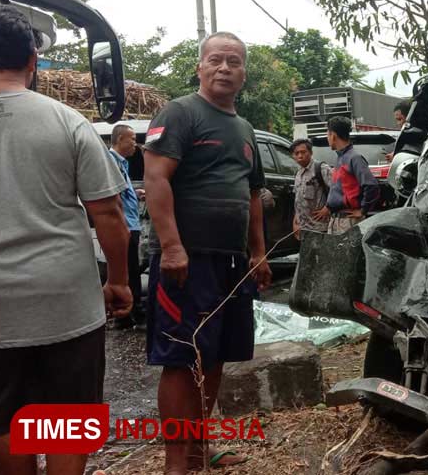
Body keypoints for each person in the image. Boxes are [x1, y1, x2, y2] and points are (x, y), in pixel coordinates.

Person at [0, 5, 132, 475]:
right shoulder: (68, 122)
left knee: (4, 420)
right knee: (67, 417)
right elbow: (107, 213)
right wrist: (120, 281)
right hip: (66, 300)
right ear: (32, 60)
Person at [143, 31, 272, 474]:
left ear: (243, 73)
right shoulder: (180, 113)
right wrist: (172, 246)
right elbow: (155, 179)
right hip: (188, 260)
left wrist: (257, 252)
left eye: (233, 62)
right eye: (215, 60)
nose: (224, 68)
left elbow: (253, 193)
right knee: (183, 359)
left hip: (231, 263)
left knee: (215, 355)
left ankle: (200, 450)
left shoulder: (245, 128)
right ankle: (176, 463)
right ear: (200, 67)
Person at [109, 124, 146, 329]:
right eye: (131, 139)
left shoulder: (122, 163)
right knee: (128, 271)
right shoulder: (110, 161)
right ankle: (128, 315)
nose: (135, 143)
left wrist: (137, 192)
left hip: (131, 223)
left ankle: (131, 312)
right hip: (125, 225)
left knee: (132, 269)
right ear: (120, 139)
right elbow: (114, 195)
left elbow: (123, 188)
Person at [315, 116, 379, 235]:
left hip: (348, 221)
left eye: (327, 135)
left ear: (333, 135)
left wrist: (363, 210)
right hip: (336, 220)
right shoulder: (341, 158)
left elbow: (372, 186)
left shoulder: (354, 158)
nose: (327, 138)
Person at [290, 138, 333, 238]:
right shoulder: (298, 173)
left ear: (310, 152)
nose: (300, 156)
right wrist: (295, 221)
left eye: (303, 152)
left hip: (320, 228)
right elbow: (297, 200)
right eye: (296, 153)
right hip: (303, 228)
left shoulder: (321, 168)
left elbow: (336, 191)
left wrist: (328, 208)